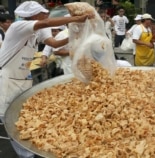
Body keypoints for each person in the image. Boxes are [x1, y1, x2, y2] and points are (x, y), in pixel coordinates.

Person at [0, 1, 93, 157]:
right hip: (6, 77)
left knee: (20, 115)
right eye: (43, 13)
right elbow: (47, 22)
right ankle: (26, 155)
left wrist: (73, 36)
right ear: (35, 15)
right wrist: (76, 19)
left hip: (24, 77)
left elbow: (54, 43)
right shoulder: (18, 26)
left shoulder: (41, 31)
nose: (47, 14)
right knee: (9, 118)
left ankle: (29, 149)